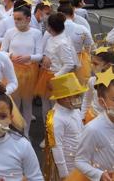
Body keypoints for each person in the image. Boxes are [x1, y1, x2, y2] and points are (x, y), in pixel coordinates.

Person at [35, 12, 78, 147]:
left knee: (57, 110)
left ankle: (57, 138)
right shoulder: (52, 38)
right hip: (47, 74)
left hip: (57, 79)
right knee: (46, 109)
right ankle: (48, 136)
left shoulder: (63, 42)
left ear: (50, 28)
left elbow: (69, 64)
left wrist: (55, 77)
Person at [1, 4, 43, 137]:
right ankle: (14, 131)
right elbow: (2, 51)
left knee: (27, 103)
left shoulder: (36, 33)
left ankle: (26, 133)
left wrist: (29, 57)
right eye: (15, 19)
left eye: (20, 19)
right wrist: (11, 56)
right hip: (12, 71)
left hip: (30, 72)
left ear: (28, 19)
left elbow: (40, 55)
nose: (17, 22)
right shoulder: (10, 32)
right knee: (14, 102)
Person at [43, 73, 85, 180]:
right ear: (64, 98)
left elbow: (81, 129)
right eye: (75, 96)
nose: (78, 99)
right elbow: (57, 146)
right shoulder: (56, 118)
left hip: (81, 158)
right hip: (68, 163)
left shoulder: (74, 109)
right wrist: (64, 174)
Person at [81, 47, 114, 124]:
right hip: (92, 119)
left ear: (108, 66)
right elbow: (87, 99)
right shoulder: (92, 81)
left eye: (95, 64)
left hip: (110, 122)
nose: (92, 66)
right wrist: (82, 118)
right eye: (91, 63)